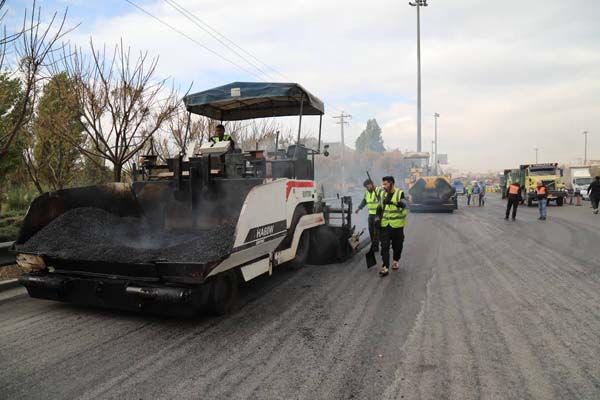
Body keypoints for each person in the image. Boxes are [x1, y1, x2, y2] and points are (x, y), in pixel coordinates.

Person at [377, 176, 408, 277]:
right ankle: (385, 266)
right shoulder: (382, 194)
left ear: (391, 183)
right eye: (383, 184)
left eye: (385, 184)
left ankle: (396, 260)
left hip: (397, 226)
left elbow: (404, 204)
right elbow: (379, 208)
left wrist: (392, 202)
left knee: (397, 246)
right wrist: (377, 219)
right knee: (384, 246)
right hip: (385, 225)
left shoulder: (400, 193)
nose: (383, 186)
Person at [355, 179, 383, 251]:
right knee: (371, 230)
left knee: (376, 231)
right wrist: (359, 208)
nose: (367, 188)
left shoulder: (379, 190)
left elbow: (383, 200)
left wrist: (380, 197)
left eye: (367, 186)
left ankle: (375, 246)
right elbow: (364, 201)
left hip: (378, 214)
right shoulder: (367, 192)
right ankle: (375, 243)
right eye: (366, 187)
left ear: (371, 184)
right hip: (371, 214)